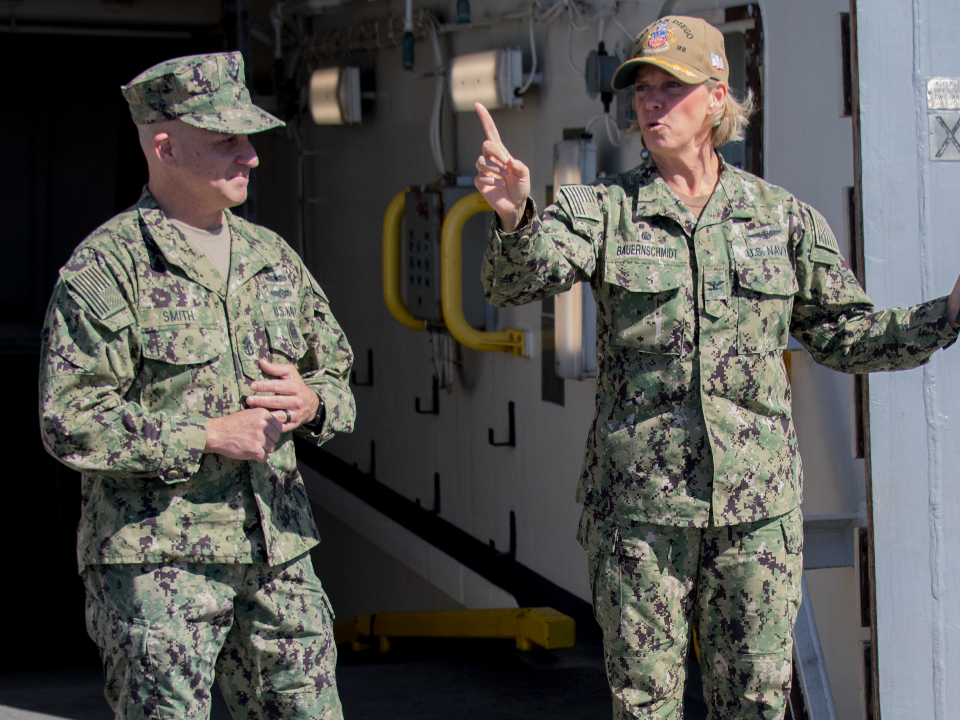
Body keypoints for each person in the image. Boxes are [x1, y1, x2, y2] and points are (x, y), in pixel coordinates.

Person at [474, 15, 960, 720]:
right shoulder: (605, 212)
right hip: (641, 517)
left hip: (755, 518)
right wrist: (516, 216)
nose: (650, 103)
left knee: (757, 704)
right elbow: (515, 283)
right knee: (645, 707)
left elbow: (844, 334)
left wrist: (944, 317)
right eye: (641, 88)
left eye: (669, 87)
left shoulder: (781, 219)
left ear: (716, 97)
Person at [39, 52, 355, 720]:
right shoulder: (106, 269)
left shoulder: (272, 259)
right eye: (227, 142)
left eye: (249, 139)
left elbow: (338, 373)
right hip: (161, 565)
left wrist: (315, 400)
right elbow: (68, 418)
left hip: (278, 552)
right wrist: (207, 434)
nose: (252, 157)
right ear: (166, 146)